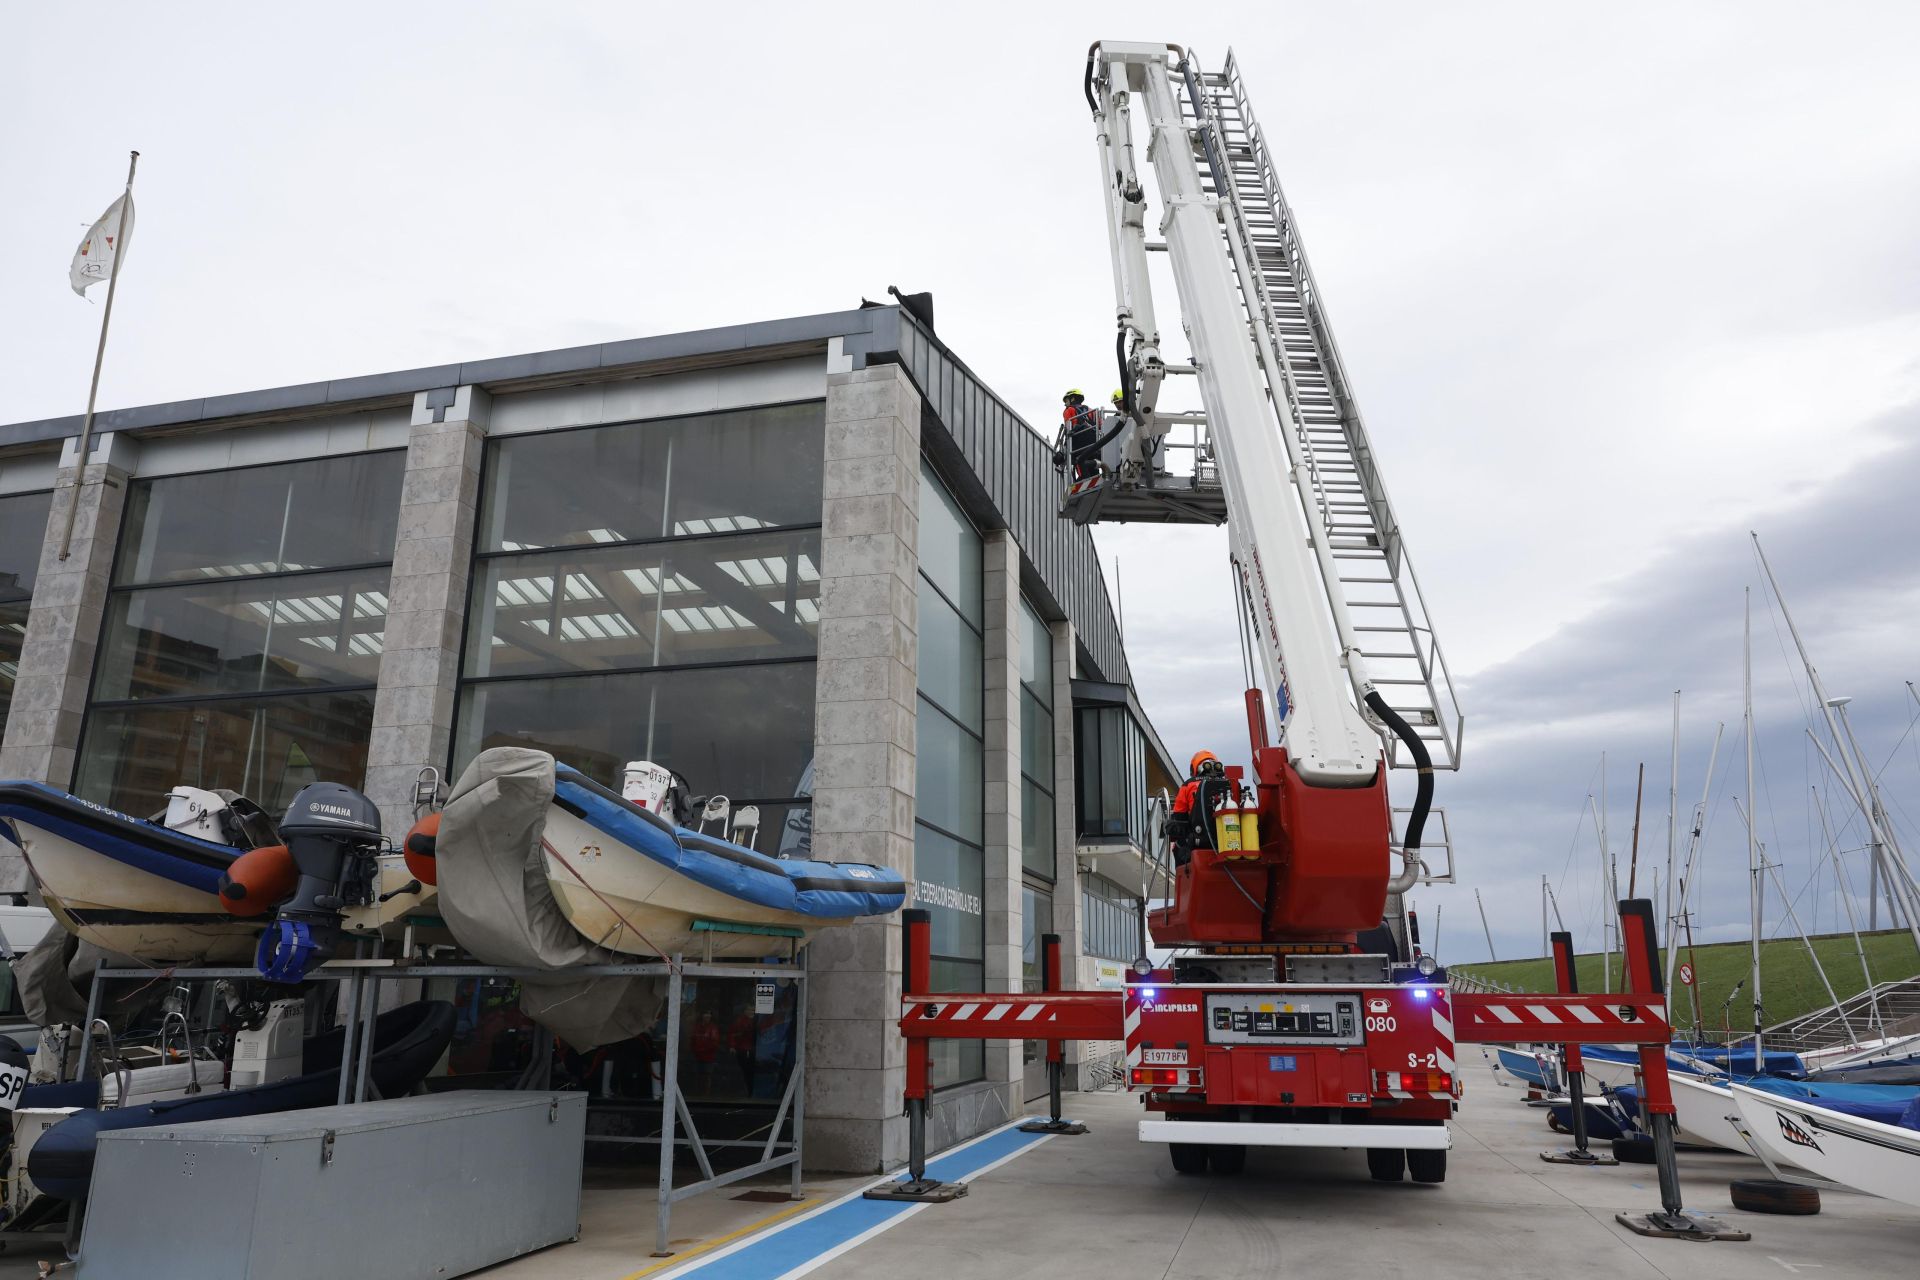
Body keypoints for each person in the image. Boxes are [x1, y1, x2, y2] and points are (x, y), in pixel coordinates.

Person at [1166, 750, 1229, 866]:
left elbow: (1179, 818)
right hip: (1227, 842)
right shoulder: (1229, 784)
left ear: (1194, 768)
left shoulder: (1188, 785)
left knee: (1177, 845)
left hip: (1195, 844)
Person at [1061, 389, 1102, 479]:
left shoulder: (1069, 410)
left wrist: (1065, 447)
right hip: (1093, 444)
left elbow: (1069, 428)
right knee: (1094, 471)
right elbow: (1101, 425)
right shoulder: (1091, 410)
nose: (1065, 404)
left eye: (1066, 401)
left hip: (1078, 445)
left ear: (1072, 399)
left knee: (1081, 470)